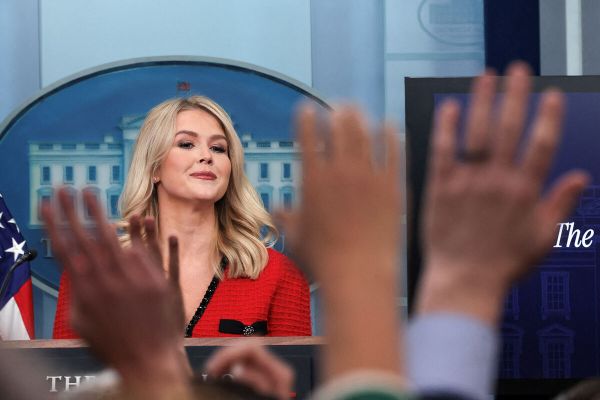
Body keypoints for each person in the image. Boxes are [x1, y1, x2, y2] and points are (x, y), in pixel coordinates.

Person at [52, 95, 312, 339]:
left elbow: (297, 372)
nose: (206, 156)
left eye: (218, 148)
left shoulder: (279, 273)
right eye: (186, 144)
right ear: (154, 168)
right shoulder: (92, 273)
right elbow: (64, 371)